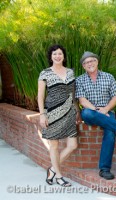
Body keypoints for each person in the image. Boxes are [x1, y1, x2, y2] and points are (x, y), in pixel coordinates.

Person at [75, 51, 116, 180]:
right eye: (86, 62)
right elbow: (82, 101)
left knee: (110, 132)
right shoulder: (79, 80)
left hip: (108, 112)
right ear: (83, 66)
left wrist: (106, 109)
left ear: (97, 62)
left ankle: (104, 169)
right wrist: (97, 110)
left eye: (92, 61)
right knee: (86, 113)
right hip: (90, 112)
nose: (89, 64)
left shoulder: (108, 77)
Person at [37, 44, 81, 187]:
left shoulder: (70, 72)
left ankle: (52, 170)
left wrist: (77, 110)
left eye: (60, 54)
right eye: (54, 54)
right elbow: (40, 96)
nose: (57, 56)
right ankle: (59, 176)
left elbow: (72, 94)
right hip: (52, 113)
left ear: (64, 56)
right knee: (54, 146)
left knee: (73, 145)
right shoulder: (45, 73)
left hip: (69, 113)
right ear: (51, 57)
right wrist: (42, 115)